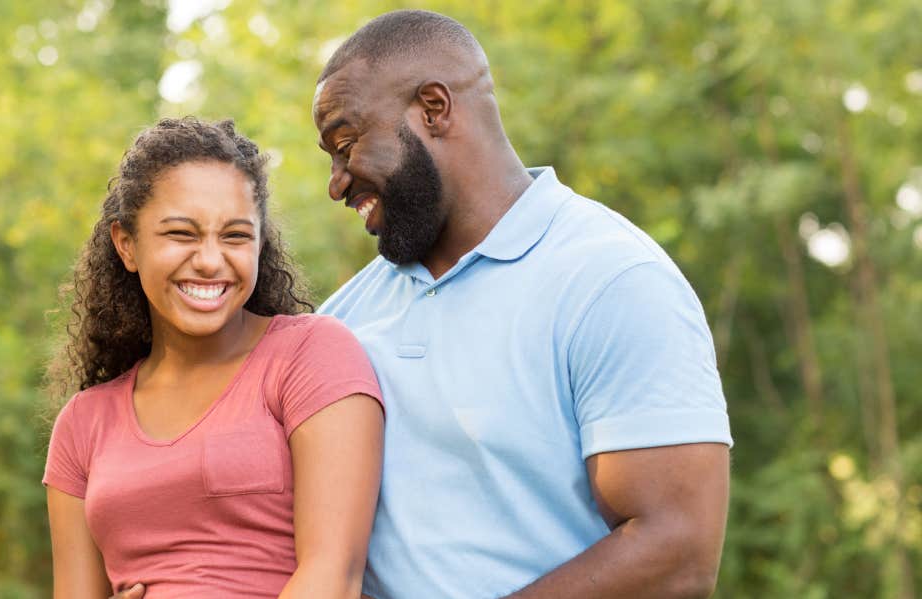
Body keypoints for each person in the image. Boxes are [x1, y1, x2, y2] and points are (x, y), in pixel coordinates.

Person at [313, 10, 733, 599]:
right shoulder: (339, 321)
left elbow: (677, 552)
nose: (336, 182)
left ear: (434, 108)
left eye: (346, 143)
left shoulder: (612, 281)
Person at [43, 117, 384, 599]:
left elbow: (334, 576)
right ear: (127, 245)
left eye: (235, 236)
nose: (209, 259)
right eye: (181, 234)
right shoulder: (83, 423)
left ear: (261, 244)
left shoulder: (310, 356)